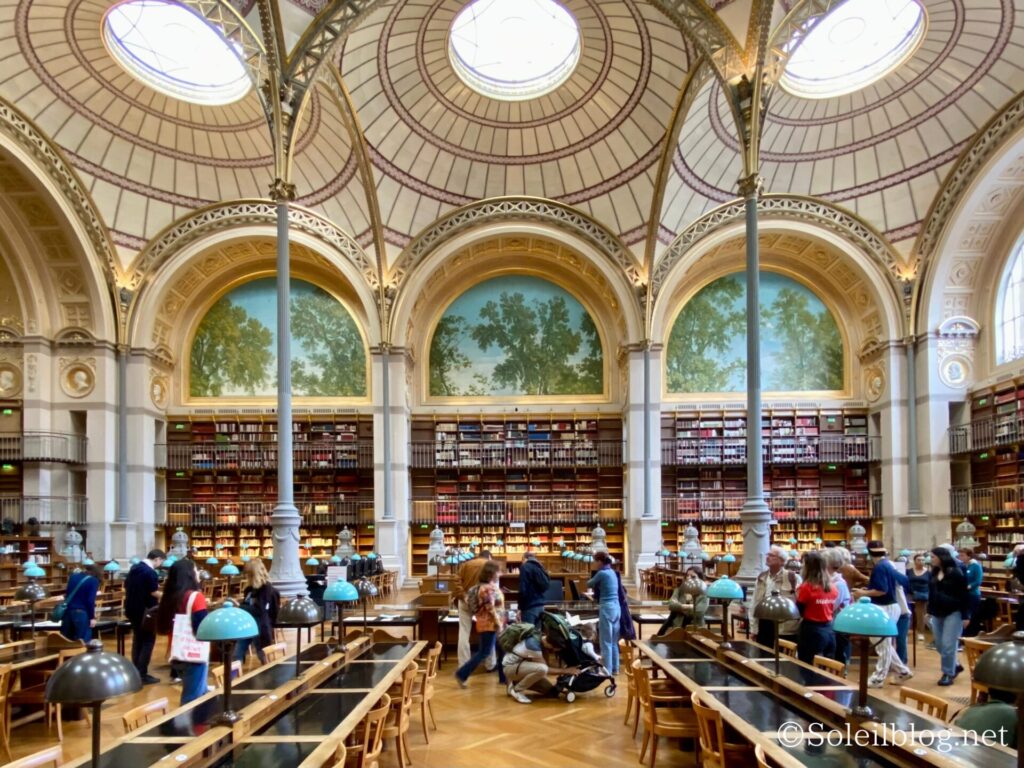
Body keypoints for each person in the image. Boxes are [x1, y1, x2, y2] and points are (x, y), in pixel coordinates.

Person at [854, 541, 913, 688]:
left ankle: (878, 678)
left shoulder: (880, 567)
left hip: (885, 607)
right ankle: (903, 671)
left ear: (869, 553)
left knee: (882, 644)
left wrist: (863, 593)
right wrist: (868, 588)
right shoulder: (888, 564)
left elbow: (882, 590)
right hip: (890, 606)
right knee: (883, 643)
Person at [157, 559, 209, 705]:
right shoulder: (195, 596)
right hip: (193, 653)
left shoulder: (170, 596)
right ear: (189, 574)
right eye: (196, 570)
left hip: (176, 651)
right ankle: (189, 726)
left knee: (193, 691)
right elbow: (201, 628)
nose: (198, 573)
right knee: (192, 698)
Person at [455, 560, 504, 687]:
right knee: (484, 652)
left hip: (487, 622)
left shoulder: (483, 585)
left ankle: (503, 678)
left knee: (499, 648)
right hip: (489, 623)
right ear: (491, 574)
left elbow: (457, 580)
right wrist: (498, 623)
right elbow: (490, 607)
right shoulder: (487, 589)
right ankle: (462, 673)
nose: (500, 574)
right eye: (498, 572)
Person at [927, 545, 969, 686]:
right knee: (939, 644)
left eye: (933, 557)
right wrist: (929, 610)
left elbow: (964, 594)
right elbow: (931, 593)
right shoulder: (934, 572)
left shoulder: (955, 572)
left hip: (954, 611)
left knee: (948, 644)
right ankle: (955, 664)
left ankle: (948, 673)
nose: (930, 559)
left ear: (941, 557)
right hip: (937, 612)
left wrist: (966, 615)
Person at [502, 630, 576, 704]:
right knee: (542, 668)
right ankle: (517, 690)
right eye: (553, 649)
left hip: (518, 666)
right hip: (510, 668)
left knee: (550, 691)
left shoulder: (539, 637)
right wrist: (567, 670)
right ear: (550, 644)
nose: (553, 651)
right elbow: (547, 670)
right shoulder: (534, 646)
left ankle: (513, 684)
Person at [125, 549, 165, 684]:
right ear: (157, 559)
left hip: (131, 609)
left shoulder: (134, 569)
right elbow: (153, 592)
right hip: (146, 611)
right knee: (148, 641)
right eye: (161, 562)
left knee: (137, 640)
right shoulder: (150, 572)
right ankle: (142, 673)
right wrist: (167, 596)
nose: (160, 564)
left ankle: (135, 671)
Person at [750, 546, 801, 648]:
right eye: (767, 555)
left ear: (782, 561)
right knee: (763, 655)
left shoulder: (793, 578)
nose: (768, 557)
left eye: (772, 555)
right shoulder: (761, 577)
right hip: (765, 622)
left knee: (783, 658)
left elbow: (799, 603)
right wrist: (753, 627)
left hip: (784, 624)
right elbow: (754, 603)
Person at [452, 550, 494, 670]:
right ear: (489, 557)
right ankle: (490, 664)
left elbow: (456, 581)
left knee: (464, 632)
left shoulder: (466, 565)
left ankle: (463, 664)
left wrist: (463, 595)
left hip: (465, 601)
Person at [235, 559, 279, 665]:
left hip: (260, 627)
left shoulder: (266, 589)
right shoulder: (249, 589)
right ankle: (232, 680)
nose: (246, 577)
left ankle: (268, 678)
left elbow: (260, 611)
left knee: (262, 654)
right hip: (246, 625)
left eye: (248, 574)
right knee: (237, 654)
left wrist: (239, 606)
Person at [795, 551, 835, 664]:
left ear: (808, 567)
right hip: (829, 629)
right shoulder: (832, 587)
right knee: (827, 665)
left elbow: (799, 611)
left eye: (803, 564)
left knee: (806, 666)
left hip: (811, 631)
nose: (801, 567)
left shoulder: (807, 587)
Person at [587, 551, 621, 675]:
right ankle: (615, 668)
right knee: (613, 641)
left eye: (595, 561)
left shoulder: (602, 573)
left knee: (605, 641)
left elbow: (589, 583)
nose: (594, 564)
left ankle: (607, 670)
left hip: (607, 608)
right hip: (617, 608)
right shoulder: (612, 572)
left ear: (600, 561)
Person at [822, 548, 851, 665]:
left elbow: (831, 606)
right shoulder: (827, 580)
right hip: (829, 625)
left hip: (837, 626)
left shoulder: (839, 583)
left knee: (837, 656)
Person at [659, 567, 708, 634]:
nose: (688, 578)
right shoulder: (679, 590)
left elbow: (699, 612)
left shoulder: (705, 594)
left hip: (696, 629)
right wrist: (689, 606)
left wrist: (679, 607)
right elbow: (671, 605)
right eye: (687, 575)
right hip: (677, 627)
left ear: (700, 579)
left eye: (693, 577)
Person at [60, 562, 101, 642]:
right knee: (83, 642)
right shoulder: (93, 580)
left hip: (67, 612)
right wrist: (92, 617)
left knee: (67, 641)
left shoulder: (73, 577)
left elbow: (67, 594)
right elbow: (90, 601)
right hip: (81, 612)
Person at [518, 551, 550, 625]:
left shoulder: (525, 567)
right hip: (540, 606)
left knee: (528, 633)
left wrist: (520, 608)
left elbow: (523, 589)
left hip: (529, 606)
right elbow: (546, 585)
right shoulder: (540, 566)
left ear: (524, 558)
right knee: (537, 633)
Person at [960, 548, 985, 637]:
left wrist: (969, 586)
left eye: (963, 555)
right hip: (963, 594)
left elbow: (978, 581)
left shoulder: (976, 565)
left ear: (969, 556)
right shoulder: (963, 566)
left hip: (973, 594)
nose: (960, 557)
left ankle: (971, 635)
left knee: (972, 615)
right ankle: (962, 635)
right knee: (964, 616)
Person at [908, 552, 931, 644]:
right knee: (909, 613)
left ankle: (920, 632)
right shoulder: (909, 571)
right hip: (910, 593)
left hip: (923, 595)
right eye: (918, 560)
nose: (921, 562)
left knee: (920, 614)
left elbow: (930, 584)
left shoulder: (928, 572)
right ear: (914, 561)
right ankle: (908, 630)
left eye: (922, 560)